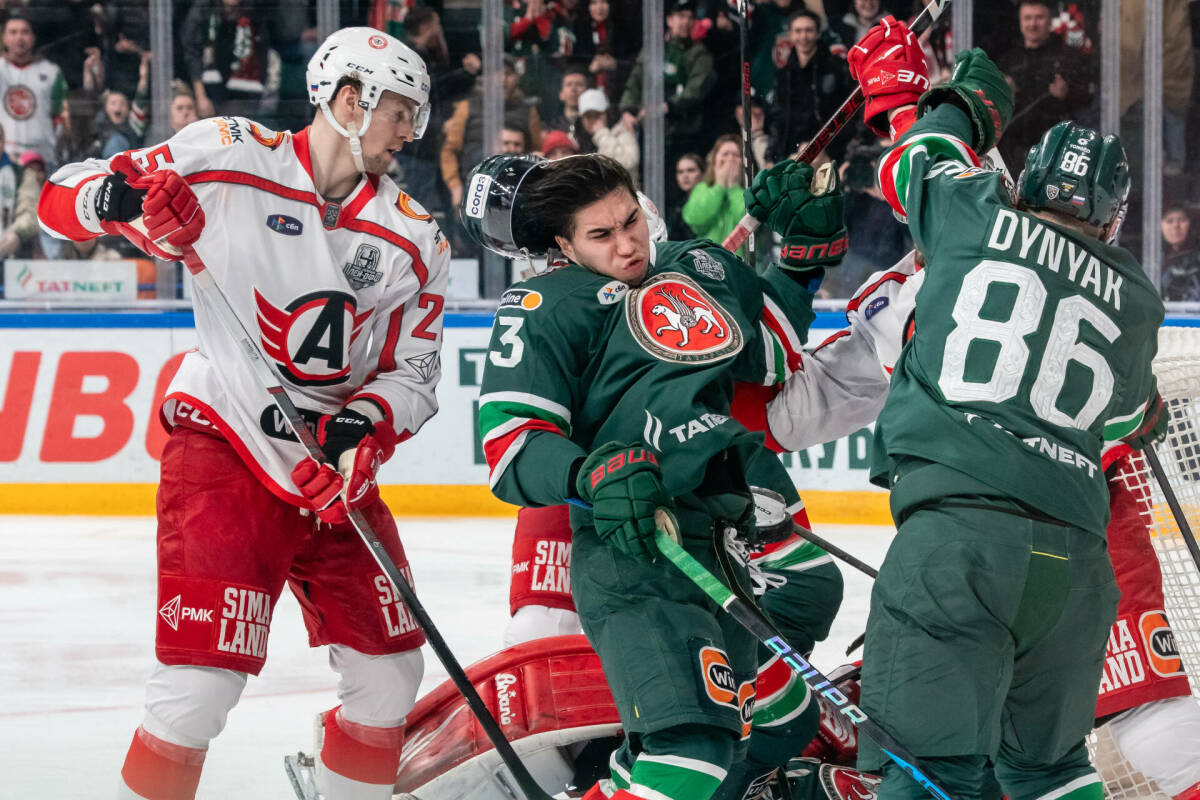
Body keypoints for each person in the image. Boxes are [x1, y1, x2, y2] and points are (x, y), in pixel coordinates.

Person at [38, 27, 449, 800]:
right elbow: (64, 196)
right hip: (226, 440)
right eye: (401, 110)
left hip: (330, 472)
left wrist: (360, 431)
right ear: (351, 101)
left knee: (390, 674)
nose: (410, 131)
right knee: (198, 686)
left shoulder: (415, 238)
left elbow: (413, 373)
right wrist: (121, 202)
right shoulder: (228, 152)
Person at [844, 16, 1166, 800]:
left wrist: (957, 104)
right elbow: (1132, 421)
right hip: (1074, 570)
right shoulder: (1136, 296)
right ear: (1114, 218)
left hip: (956, 546)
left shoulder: (975, 213)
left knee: (925, 771)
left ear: (1024, 185)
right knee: (1051, 772)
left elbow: (914, 159)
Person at [466, 151, 849, 800]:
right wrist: (590, 474)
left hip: (725, 536)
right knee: (690, 752)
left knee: (779, 721)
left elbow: (773, 349)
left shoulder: (695, 267)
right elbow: (510, 444)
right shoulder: (546, 304)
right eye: (601, 235)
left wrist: (800, 256)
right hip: (641, 546)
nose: (626, 245)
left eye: (630, 223)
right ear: (564, 246)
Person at [996, 0, 1093, 172]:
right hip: (1012, 153)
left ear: (1050, 21)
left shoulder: (1067, 57)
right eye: (1027, 18)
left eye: (1039, 17)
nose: (1033, 24)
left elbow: (1088, 98)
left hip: (1055, 154)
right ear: (1020, 22)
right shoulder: (1008, 60)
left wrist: (1066, 94)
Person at [619, 0, 716, 167]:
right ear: (669, 20)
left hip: (683, 133)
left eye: (690, 17)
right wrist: (627, 109)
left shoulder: (699, 54)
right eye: (681, 16)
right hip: (649, 131)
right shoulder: (653, 49)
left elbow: (696, 88)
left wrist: (667, 106)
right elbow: (635, 80)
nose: (686, 22)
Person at [768, 9, 853, 163]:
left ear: (818, 33)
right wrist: (771, 156)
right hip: (789, 152)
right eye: (798, 31)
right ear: (791, 35)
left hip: (828, 152)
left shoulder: (836, 68)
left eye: (809, 30)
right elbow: (778, 117)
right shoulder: (784, 73)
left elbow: (849, 114)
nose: (803, 37)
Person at [0, 12, 69, 166]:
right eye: (13, 32)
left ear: (33, 38)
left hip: (42, 159)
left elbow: (60, 114)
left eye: (25, 32)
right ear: (4, 37)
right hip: (4, 160)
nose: (19, 37)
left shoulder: (52, 72)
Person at [682, 134, 748, 250]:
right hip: (709, 257)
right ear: (714, 159)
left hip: (740, 259)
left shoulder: (747, 191)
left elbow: (748, 223)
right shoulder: (702, 188)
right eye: (725, 154)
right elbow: (695, 220)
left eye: (735, 155)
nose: (730, 159)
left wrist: (733, 188)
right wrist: (720, 186)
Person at [576, 87, 639, 177]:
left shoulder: (622, 132)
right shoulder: (576, 138)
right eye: (588, 116)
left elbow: (627, 165)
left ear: (607, 114)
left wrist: (601, 134)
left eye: (597, 115)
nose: (593, 120)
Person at [1161, 205, 1200, 302]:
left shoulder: (1197, 259)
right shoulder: (1153, 257)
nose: (1176, 226)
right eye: (1169, 221)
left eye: (1182, 220)